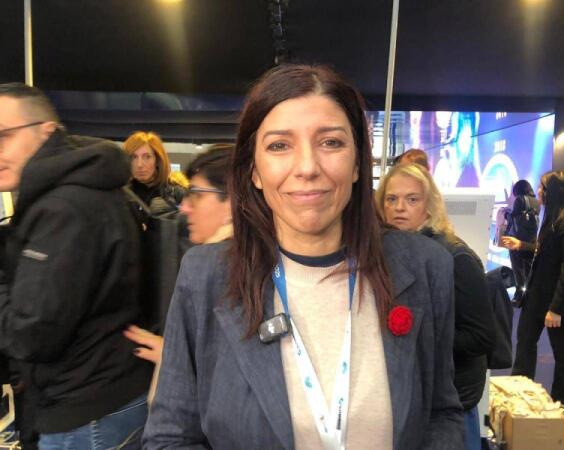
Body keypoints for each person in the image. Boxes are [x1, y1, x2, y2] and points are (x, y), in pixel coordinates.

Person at [143, 64, 463, 450]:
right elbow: (170, 437)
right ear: (254, 171)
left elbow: (441, 413)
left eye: (331, 142)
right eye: (280, 146)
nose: (308, 167)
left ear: (358, 163)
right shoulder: (206, 276)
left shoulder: (424, 266)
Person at [0, 83, 152, 448]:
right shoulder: (87, 188)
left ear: (46, 131)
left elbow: (31, 335)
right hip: (107, 393)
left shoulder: (64, 209)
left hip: (85, 412)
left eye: (4, 136)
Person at [375, 163, 496, 450]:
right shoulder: (385, 254)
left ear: (429, 207)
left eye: (411, 199)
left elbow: (482, 337)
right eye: (391, 199)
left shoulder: (456, 258)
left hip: (451, 399)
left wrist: (419, 336)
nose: (399, 208)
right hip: (407, 395)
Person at [124, 144, 234, 365]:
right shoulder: (220, 264)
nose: (184, 208)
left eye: (197, 196)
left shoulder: (221, 271)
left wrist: (177, 356)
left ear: (233, 201)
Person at [503, 170, 564, 413]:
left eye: (543, 187)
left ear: (556, 191)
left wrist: (556, 309)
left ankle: (561, 408)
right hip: (537, 297)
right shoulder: (554, 218)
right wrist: (522, 245)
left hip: (559, 305)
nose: (539, 191)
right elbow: (546, 251)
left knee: (563, 355)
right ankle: (519, 395)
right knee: (525, 343)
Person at [123, 131, 185, 213]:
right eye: (134, 157)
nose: (139, 164)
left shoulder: (176, 194)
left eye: (147, 157)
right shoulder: (121, 194)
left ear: (158, 160)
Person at [503, 179, 539, 296]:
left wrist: (506, 214)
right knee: (528, 270)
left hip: (517, 240)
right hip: (531, 241)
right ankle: (528, 294)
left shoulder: (520, 199)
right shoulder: (536, 202)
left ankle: (519, 294)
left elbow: (513, 218)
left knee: (518, 269)